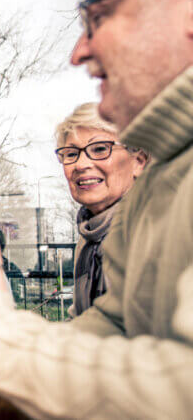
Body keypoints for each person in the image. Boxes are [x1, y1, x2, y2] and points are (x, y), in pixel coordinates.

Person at [0, 0, 193, 417]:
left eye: (100, 16)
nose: (78, 52)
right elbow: (113, 325)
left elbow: (179, 390)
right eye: (70, 153)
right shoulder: (160, 185)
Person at [55, 102, 147, 316]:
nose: (80, 164)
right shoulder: (90, 235)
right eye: (70, 154)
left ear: (138, 162)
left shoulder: (152, 233)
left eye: (100, 149)